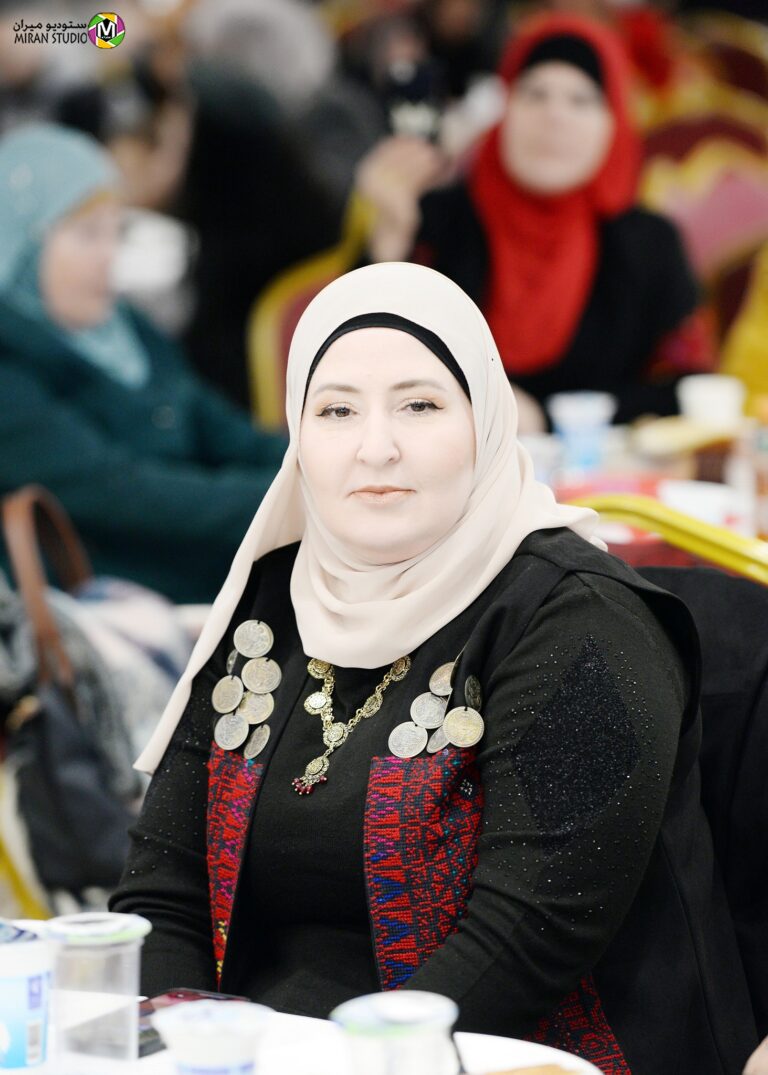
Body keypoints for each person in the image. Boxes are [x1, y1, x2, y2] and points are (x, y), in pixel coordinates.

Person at [111, 261, 757, 1075]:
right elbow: (162, 892)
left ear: (485, 419)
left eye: (419, 405)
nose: (376, 447)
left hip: (515, 1054)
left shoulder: (582, 621)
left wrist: (340, 1065)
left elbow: (530, 934)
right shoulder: (269, 603)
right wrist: (185, 1052)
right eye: (336, 409)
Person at [356, 13, 715, 431]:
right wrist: (389, 241)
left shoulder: (648, 243)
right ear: (505, 111)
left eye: (581, 100)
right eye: (534, 94)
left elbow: (691, 388)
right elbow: (358, 362)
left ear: (613, 124)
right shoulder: (438, 221)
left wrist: (544, 415)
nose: (554, 116)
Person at [0, 123, 287, 603]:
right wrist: (290, 502)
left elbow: (221, 428)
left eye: (117, 233)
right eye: (87, 235)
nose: (108, 256)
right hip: (121, 603)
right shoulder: (9, 365)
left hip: (208, 566)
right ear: (22, 245)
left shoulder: (123, 327)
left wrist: (321, 462)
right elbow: (122, 492)